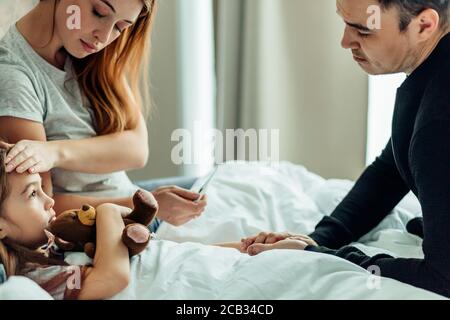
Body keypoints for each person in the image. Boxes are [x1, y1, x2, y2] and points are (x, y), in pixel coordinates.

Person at [241, 0, 450, 298]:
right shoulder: (433, 75)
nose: (345, 41)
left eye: (362, 31)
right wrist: (317, 238)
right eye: (344, 22)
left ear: (423, 25)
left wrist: (322, 255)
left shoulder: (439, 120)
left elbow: (443, 278)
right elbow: (392, 169)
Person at [0, 0, 206, 232]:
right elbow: (44, 208)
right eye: (99, 12)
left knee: (231, 184)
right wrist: (146, 207)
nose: (104, 37)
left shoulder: (91, 52)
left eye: (120, 26)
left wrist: (55, 152)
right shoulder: (12, 79)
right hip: (110, 220)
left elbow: (137, 150)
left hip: (129, 197)